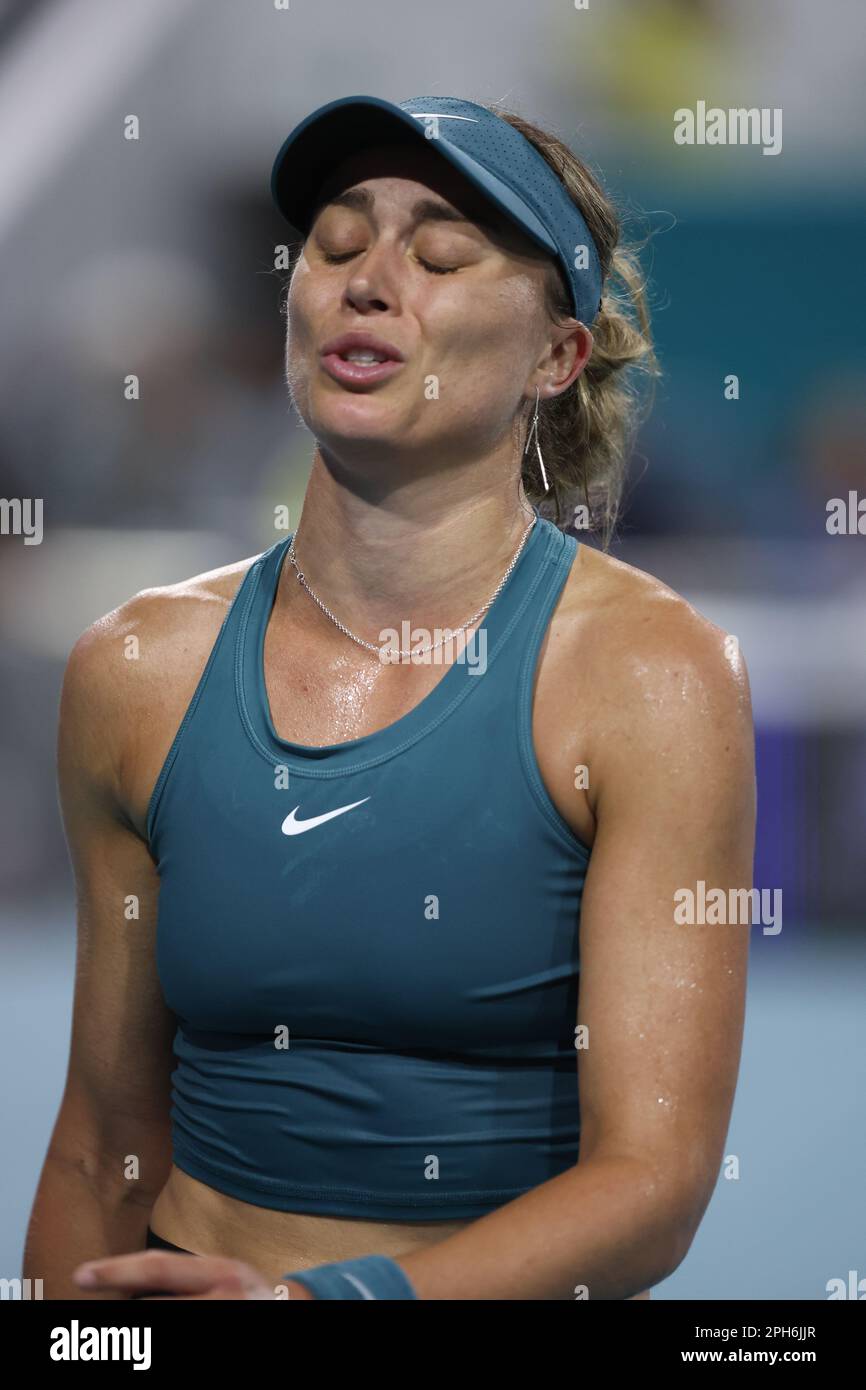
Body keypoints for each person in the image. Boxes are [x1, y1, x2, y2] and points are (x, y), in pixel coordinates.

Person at [25, 95, 755, 1301]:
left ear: (555, 357)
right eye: (335, 242)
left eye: (440, 255)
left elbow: (653, 1180)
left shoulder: (654, 677)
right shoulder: (133, 669)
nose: (368, 280)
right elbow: (103, 1138)